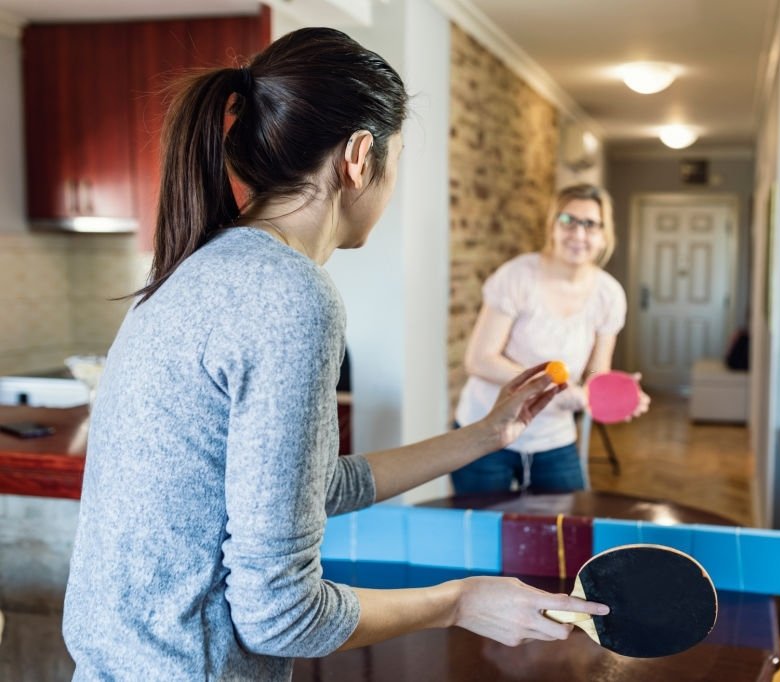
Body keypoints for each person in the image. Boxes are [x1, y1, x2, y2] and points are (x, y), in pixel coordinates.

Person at [62, 28, 607, 681]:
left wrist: (488, 434)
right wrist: (458, 602)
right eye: (396, 161)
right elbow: (283, 614)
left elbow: (314, 487)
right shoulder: (292, 296)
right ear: (358, 156)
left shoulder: (196, 268)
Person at [451, 184, 650, 495]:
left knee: (563, 533)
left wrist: (616, 393)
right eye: (568, 220)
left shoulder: (609, 295)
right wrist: (553, 387)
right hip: (486, 429)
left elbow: (597, 372)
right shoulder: (516, 277)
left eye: (590, 224)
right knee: (484, 534)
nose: (578, 234)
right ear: (552, 226)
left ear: (603, 235)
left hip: (554, 437)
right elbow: (479, 359)